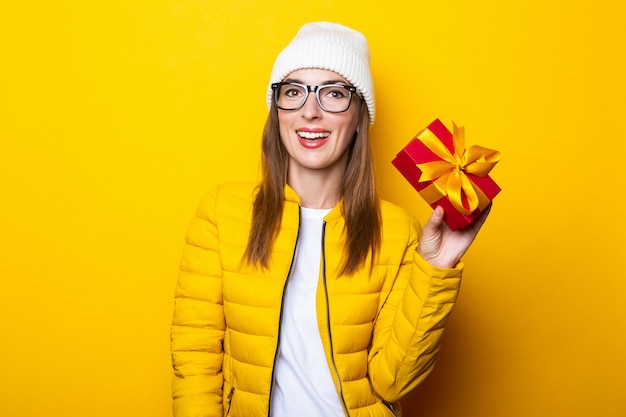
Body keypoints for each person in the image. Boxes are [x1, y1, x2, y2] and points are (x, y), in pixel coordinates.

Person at [170, 21, 491, 417]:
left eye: (334, 94)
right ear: (276, 111)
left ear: (359, 115)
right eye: (293, 92)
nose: (310, 111)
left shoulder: (398, 230)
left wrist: (437, 267)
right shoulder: (222, 212)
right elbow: (195, 360)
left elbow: (394, 381)